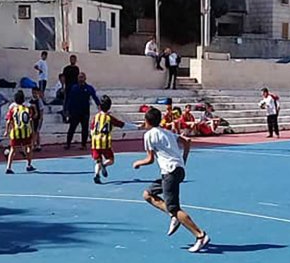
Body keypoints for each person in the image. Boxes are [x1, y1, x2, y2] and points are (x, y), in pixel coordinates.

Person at [133, 107, 211, 253]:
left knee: (175, 208)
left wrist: (138, 163)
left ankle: (200, 235)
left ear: (147, 121)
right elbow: (187, 141)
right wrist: (183, 160)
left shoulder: (149, 135)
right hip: (178, 170)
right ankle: (172, 215)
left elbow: (150, 159)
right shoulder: (168, 132)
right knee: (148, 194)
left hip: (170, 172)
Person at [90, 95, 127, 183]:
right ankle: (104, 165)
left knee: (98, 161)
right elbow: (121, 124)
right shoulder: (110, 118)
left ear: (99, 106)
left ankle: (96, 174)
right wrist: (137, 127)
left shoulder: (96, 117)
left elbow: (92, 129)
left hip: (95, 142)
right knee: (111, 160)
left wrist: (92, 137)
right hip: (105, 142)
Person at [65, 72, 101, 149]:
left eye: (82, 77)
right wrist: (67, 110)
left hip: (85, 112)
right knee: (72, 128)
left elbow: (95, 97)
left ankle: (83, 145)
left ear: (85, 78)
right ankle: (68, 144)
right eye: (79, 77)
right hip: (75, 112)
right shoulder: (74, 88)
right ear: (77, 79)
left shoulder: (89, 88)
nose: (80, 79)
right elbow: (69, 99)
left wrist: (99, 105)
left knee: (84, 129)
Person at [4, 90, 36, 174]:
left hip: (15, 132)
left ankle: (8, 167)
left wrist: (6, 131)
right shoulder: (27, 109)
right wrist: (32, 131)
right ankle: (28, 165)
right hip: (26, 131)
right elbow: (31, 120)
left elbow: (8, 121)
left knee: (12, 149)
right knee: (29, 147)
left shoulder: (12, 109)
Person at [61, 55, 81, 122]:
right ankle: (65, 116)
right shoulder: (66, 68)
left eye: (74, 59)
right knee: (66, 103)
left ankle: (72, 117)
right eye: (72, 59)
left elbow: (78, 79)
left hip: (75, 89)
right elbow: (63, 78)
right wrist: (63, 86)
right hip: (68, 88)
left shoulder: (76, 69)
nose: (73, 60)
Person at [30, 86, 45, 151]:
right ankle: (37, 145)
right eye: (33, 93)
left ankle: (34, 144)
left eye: (35, 93)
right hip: (32, 119)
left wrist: (41, 118)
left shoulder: (39, 101)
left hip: (38, 119)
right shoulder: (31, 101)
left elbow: (41, 110)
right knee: (35, 132)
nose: (34, 94)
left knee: (36, 132)